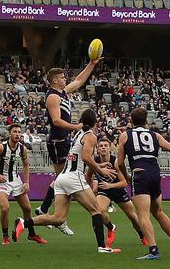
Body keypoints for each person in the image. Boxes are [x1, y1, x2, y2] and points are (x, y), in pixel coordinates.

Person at [13, 108, 121, 254]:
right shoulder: (91, 136)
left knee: (58, 218)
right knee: (96, 211)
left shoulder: (79, 133)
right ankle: (102, 247)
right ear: (95, 122)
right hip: (74, 177)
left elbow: (79, 157)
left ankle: (23, 223)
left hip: (62, 178)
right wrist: (101, 170)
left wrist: (98, 166)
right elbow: (86, 158)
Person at [35, 56, 101, 235]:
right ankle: (51, 213)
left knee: (62, 180)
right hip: (57, 142)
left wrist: (92, 64)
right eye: (63, 77)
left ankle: (52, 214)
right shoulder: (53, 97)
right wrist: (77, 127)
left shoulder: (63, 92)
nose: (66, 79)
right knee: (64, 179)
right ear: (55, 80)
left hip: (63, 141)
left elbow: (79, 80)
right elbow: (56, 121)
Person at [116, 106, 170, 259]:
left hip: (139, 174)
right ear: (146, 120)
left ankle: (153, 250)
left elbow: (120, 163)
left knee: (143, 215)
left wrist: (127, 177)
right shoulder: (155, 135)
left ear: (131, 120)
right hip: (155, 174)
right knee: (158, 212)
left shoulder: (125, 136)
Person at [0, 123, 47, 245]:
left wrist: (26, 182)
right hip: (2, 181)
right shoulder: (1, 147)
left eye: (19, 132)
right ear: (9, 133)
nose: (17, 134)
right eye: (15, 132)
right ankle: (5, 236)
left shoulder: (22, 149)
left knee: (27, 208)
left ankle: (31, 234)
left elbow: (26, 165)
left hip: (16, 180)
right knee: (5, 208)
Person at [90, 138, 145, 245]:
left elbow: (125, 182)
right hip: (104, 190)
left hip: (118, 190)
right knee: (99, 211)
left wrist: (110, 185)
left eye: (105, 146)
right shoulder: (95, 161)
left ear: (110, 148)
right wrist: (93, 186)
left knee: (133, 217)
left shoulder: (115, 161)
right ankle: (111, 227)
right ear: (98, 148)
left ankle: (142, 236)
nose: (103, 148)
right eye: (101, 146)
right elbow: (91, 175)